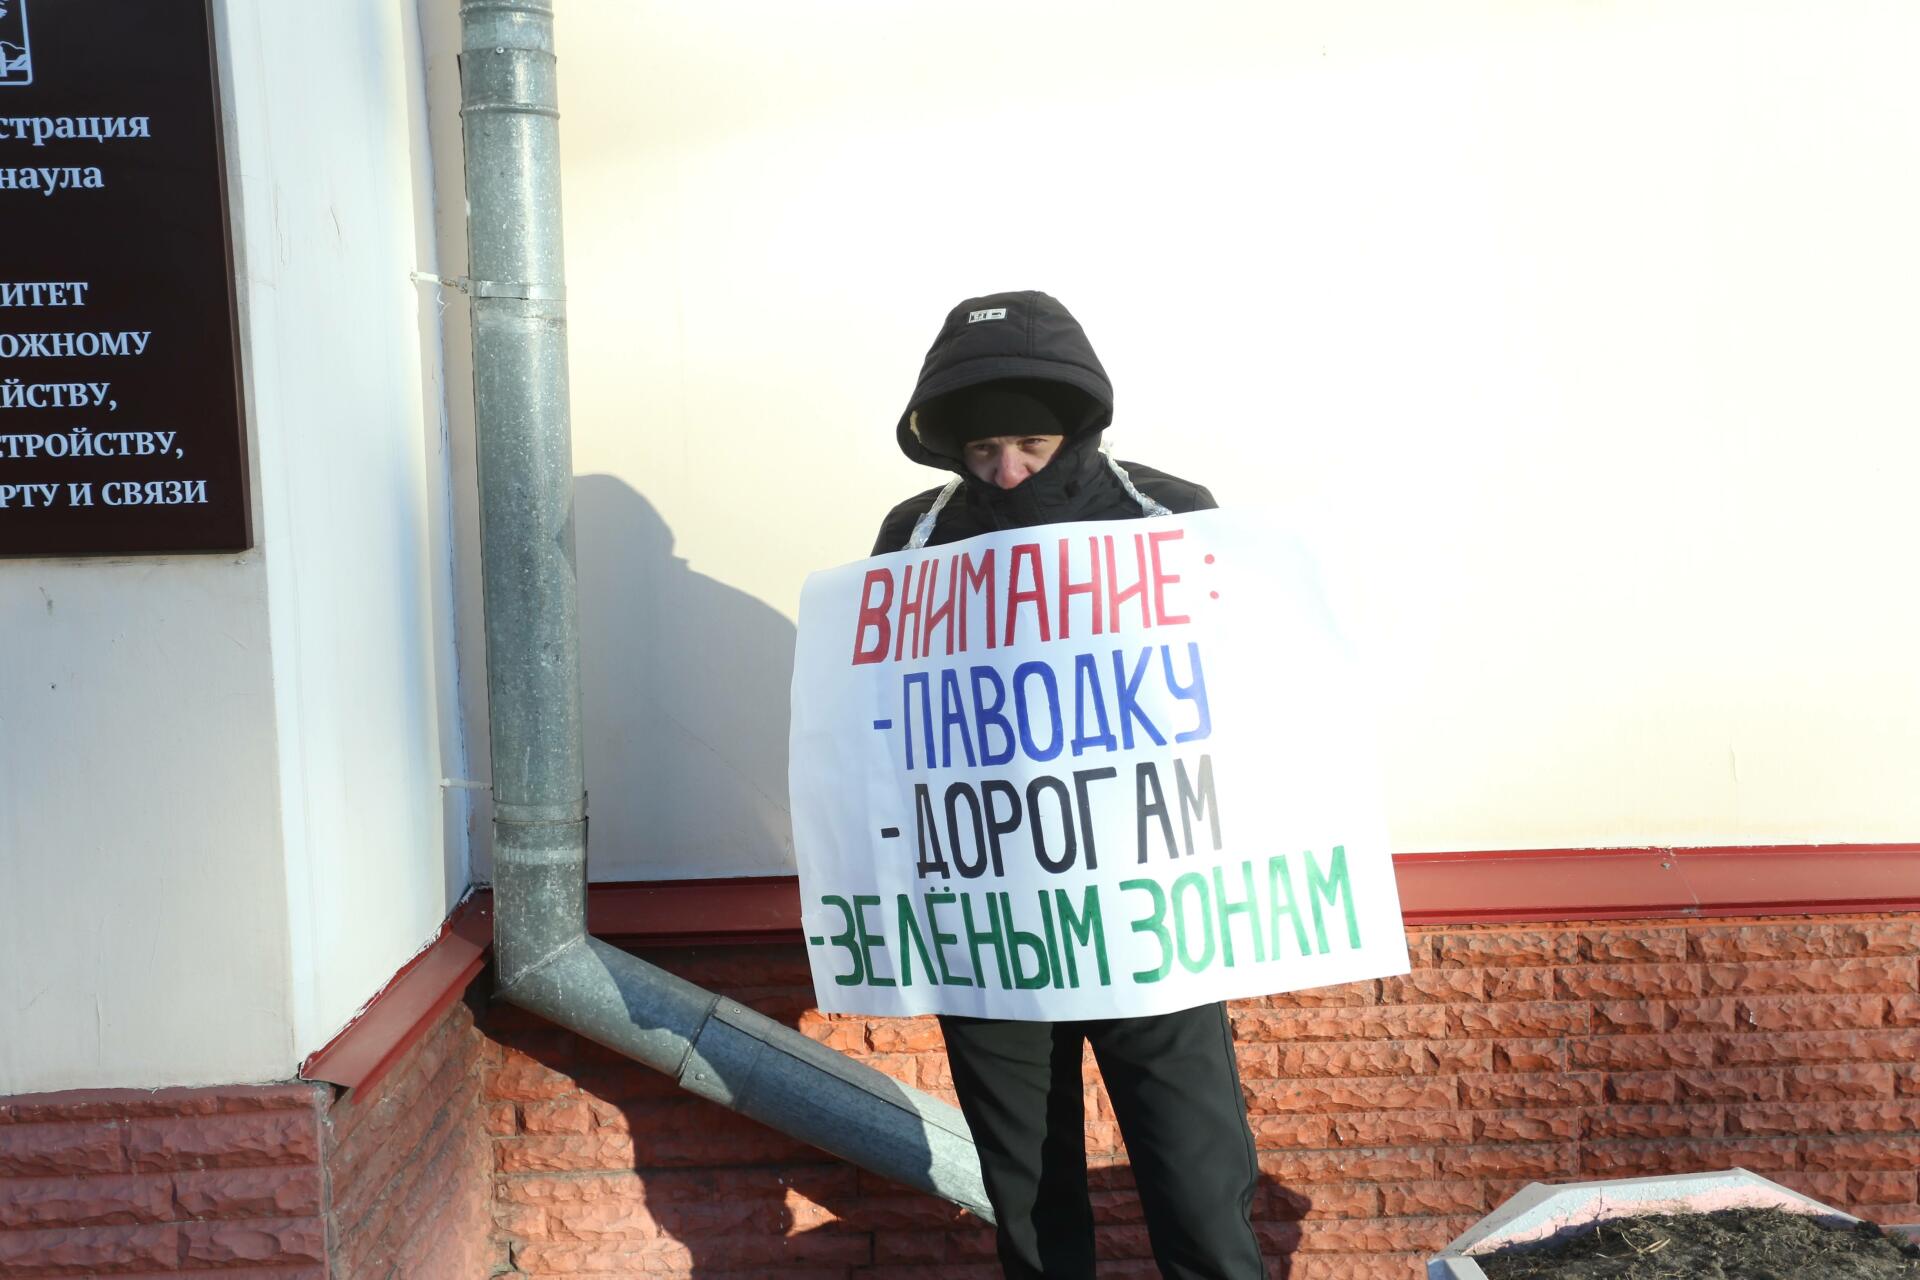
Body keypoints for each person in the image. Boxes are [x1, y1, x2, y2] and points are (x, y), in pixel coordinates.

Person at [871, 291, 1264, 1280]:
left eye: (1030, 444)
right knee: (1031, 1203)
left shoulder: (1166, 514)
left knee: (1199, 1184)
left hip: (1149, 916)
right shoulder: (915, 537)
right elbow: (882, 716)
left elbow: (1242, 686)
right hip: (993, 926)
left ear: (1076, 428)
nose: (1005, 469)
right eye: (982, 448)